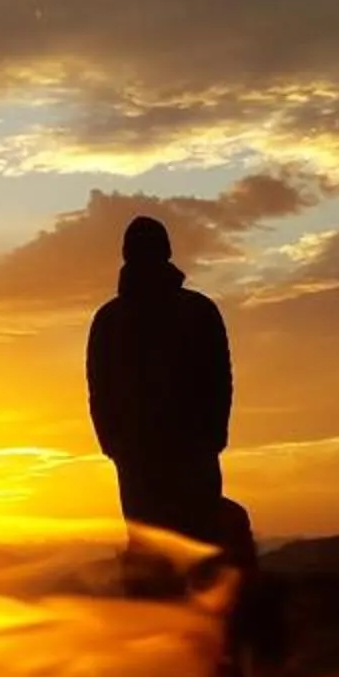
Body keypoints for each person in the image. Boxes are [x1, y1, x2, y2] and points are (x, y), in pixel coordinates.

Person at [86, 214, 237, 562]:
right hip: (161, 453)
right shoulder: (197, 310)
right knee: (183, 548)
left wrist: (113, 443)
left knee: (167, 550)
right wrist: (113, 444)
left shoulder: (111, 319)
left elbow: (98, 391)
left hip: (166, 452)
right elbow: (220, 379)